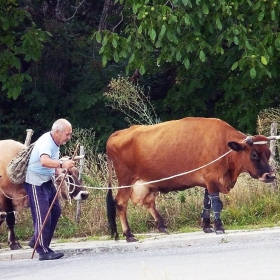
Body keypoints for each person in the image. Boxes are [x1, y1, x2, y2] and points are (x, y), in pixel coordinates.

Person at [24, 118, 76, 261]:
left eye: (70, 134)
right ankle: (43, 250)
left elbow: (50, 163)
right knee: (43, 215)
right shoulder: (47, 142)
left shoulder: (56, 142)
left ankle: (37, 241)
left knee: (55, 210)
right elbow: (44, 161)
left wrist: (58, 171)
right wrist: (62, 164)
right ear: (57, 132)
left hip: (47, 181)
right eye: (67, 134)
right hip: (36, 181)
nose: (69, 137)